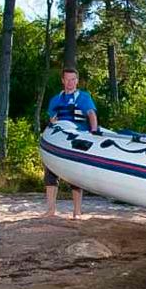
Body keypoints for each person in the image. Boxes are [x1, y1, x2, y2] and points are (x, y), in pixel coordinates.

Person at [43, 68, 98, 219]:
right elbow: (52, 119)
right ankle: (50, 209)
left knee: (75, 175)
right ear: (62, 80)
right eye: (67, 79)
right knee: (50, 173)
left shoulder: (83, 97)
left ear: (77, 81)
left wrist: (93, 133)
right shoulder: (56, 99)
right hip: (60, 140)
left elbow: (91, 115)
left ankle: (77, 211)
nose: (70, 83)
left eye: (73, 79)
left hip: (77, 139)